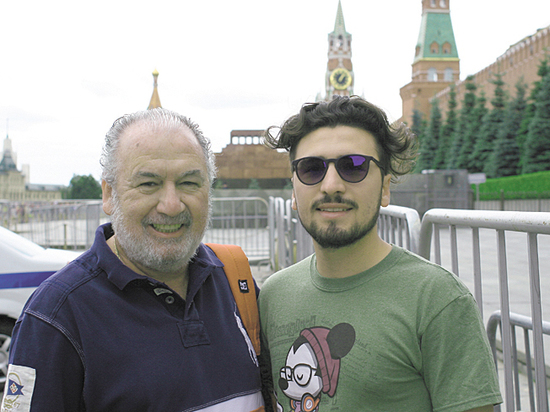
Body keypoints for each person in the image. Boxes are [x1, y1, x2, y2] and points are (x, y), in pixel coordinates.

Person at [1, 108, 265, 412]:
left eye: (189, 183)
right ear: (109, 194)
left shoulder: (236, 279)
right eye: (148, 183)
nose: (171, 205)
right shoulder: (56, 317)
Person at [258, 96, 502, 412]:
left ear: (385, 188)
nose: (331, 185)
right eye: (311, 168)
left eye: (354, 166)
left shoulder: (438, 300)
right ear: (293, 190)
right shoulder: (273, 296)